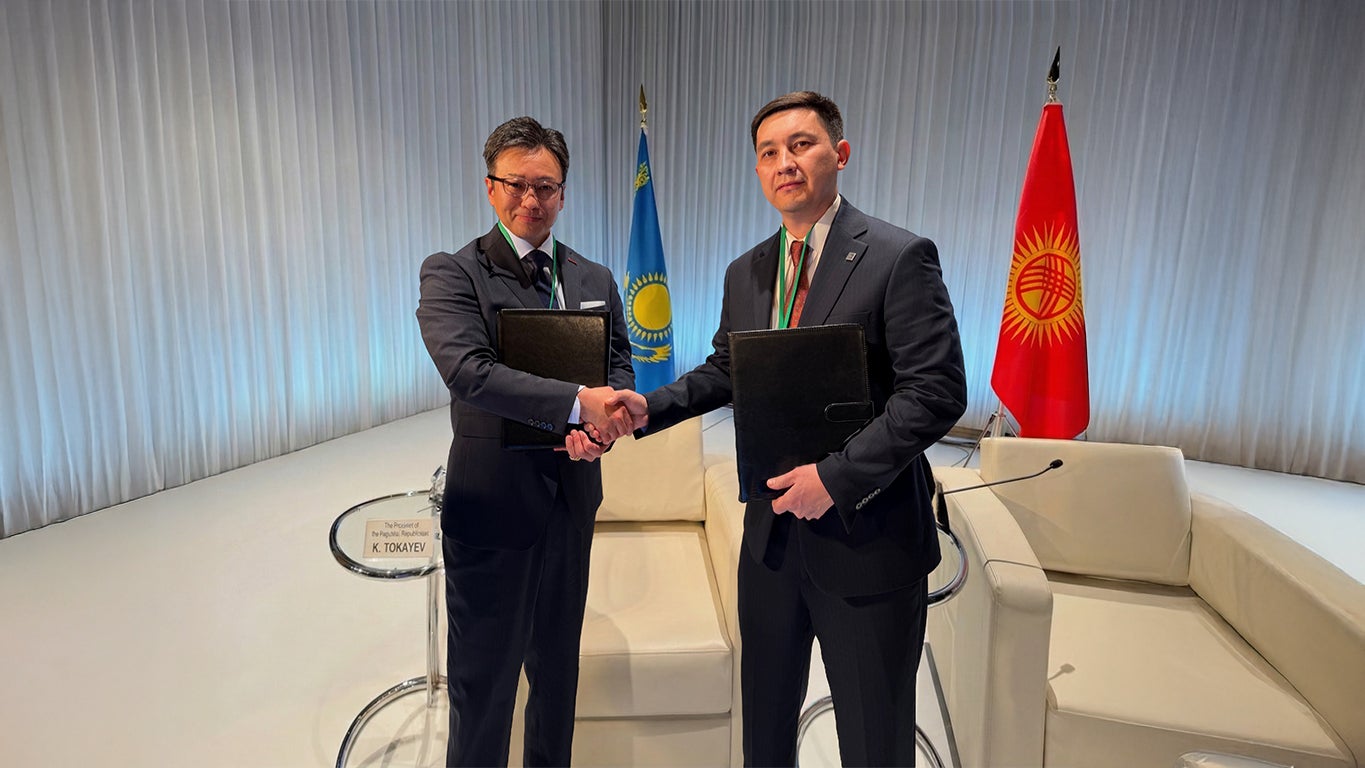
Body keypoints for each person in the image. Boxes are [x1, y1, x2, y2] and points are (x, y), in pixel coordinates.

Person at [596, 92, 967, 766]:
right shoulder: (747, 271)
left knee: (874, 743)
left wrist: (835, 479)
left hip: (868, 538)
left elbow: (935, 393)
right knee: (763, 735)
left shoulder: (898, 256)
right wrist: (652, 406)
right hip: (770, 539)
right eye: (768, 152)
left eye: (801, 145)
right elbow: (727, 368)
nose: (783, 163)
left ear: (839, 154)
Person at [416, 116, 634, 767]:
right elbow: (470, 373)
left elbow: (619, 364)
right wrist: (576, 402)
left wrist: (603, 426)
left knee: (557, 680)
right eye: (516, 184)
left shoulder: (593, 278)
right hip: (492, 508)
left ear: (563, 193)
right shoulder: (453, 274)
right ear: (491, 187)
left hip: (570, 504)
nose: (531, 199)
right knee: (482, 689)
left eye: (545, 186)